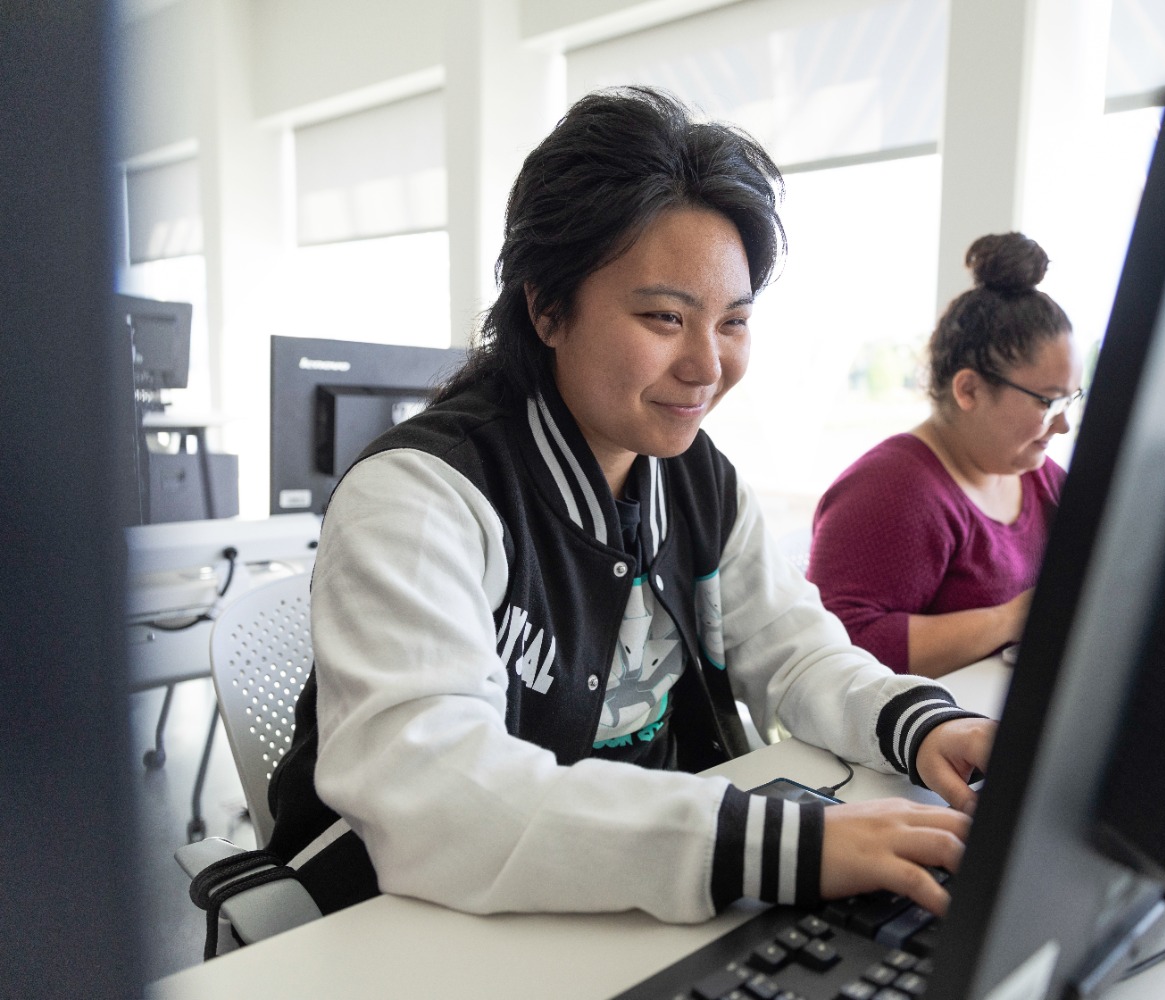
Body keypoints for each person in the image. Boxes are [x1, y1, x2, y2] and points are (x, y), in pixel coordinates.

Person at [264, 87, 995, 926]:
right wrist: (779, 845)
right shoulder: (422, 497)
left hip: (608, 899)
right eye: (663, 317)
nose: (707, 365)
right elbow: (433, 792)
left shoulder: (692, 476)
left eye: (733, 322)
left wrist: (926, 727)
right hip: (401, 925)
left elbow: (795, 654)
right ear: (545, 306)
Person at [807, 233, 1083, 678]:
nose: (1063, 424)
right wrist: (1008, 621)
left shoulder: (1038, 476)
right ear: (969, 389)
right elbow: (836, 647)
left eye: (1071, 399)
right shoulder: (891, 492)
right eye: (1048, 402)